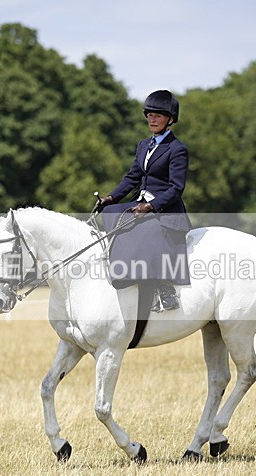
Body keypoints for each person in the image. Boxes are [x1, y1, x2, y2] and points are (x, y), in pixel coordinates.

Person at [97, 89, 191, 312]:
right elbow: (132, 178)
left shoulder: (177, 149)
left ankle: (165, 288)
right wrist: (111, 197)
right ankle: (123, 273)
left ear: (170, 119)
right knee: (111, 213)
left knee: (145, 229)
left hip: (165, 208)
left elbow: (177, 188)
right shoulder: (143, 145)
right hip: (141, 201)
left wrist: (150, 206)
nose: (152, 119)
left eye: (158, 115)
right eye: (149, 115)